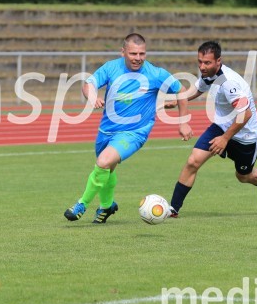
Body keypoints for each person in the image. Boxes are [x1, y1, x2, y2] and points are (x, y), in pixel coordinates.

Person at [64, 33, 193, 223]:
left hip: (134, 133)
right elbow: (89, 84)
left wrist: (183, 122)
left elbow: (181, 91)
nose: (138, 58)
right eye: (133, 53)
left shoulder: (156, 74)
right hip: (106, 130)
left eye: (142, 54)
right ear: (123, 52)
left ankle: (81, 204)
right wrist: (92, 98)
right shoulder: (111, 67)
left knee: (103, 162)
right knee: (107, 169)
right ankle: (107, 207)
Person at [166, 41, 257, 217]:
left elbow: (245, 114)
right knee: (193, 161)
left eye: (207, 62)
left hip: (246, 136)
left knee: (243, 176)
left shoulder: (229, 83)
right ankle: (173, 209)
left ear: (219, 61)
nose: (202, 66)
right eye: (200, 61)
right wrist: (179, 99)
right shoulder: (209, 73)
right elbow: (198, 88)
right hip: (222, 126)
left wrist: (225, 139)